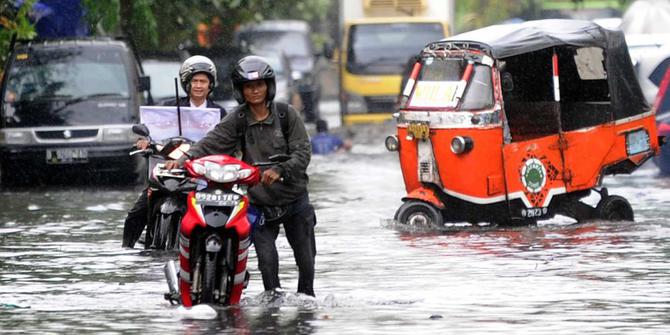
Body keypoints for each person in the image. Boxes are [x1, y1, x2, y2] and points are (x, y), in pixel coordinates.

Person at [164, 55, 317, 297]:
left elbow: (303, 152)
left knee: (306, 262)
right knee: (267, 263)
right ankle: (272, 307)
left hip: (295, 200)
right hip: (260, 204)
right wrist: (183, 160)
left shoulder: (287, 115)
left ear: (269, 86)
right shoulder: (239, 118)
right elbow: (211, 142)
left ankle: (306, 305)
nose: (255, 91)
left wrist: (279, 171)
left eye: (259, 85)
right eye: (248, 87)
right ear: (241, 90)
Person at [122, 55, 226, 248]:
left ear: (211, 84)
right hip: (167, 173)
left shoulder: (220, 113)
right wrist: (144, 142)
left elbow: (227, 142)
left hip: (201, 176)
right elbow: (152, 132)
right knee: (136, 213)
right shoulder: (167, 108)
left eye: (203, 81)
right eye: (194, 80)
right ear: (186, 83)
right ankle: (126, 249)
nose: (198, 85)